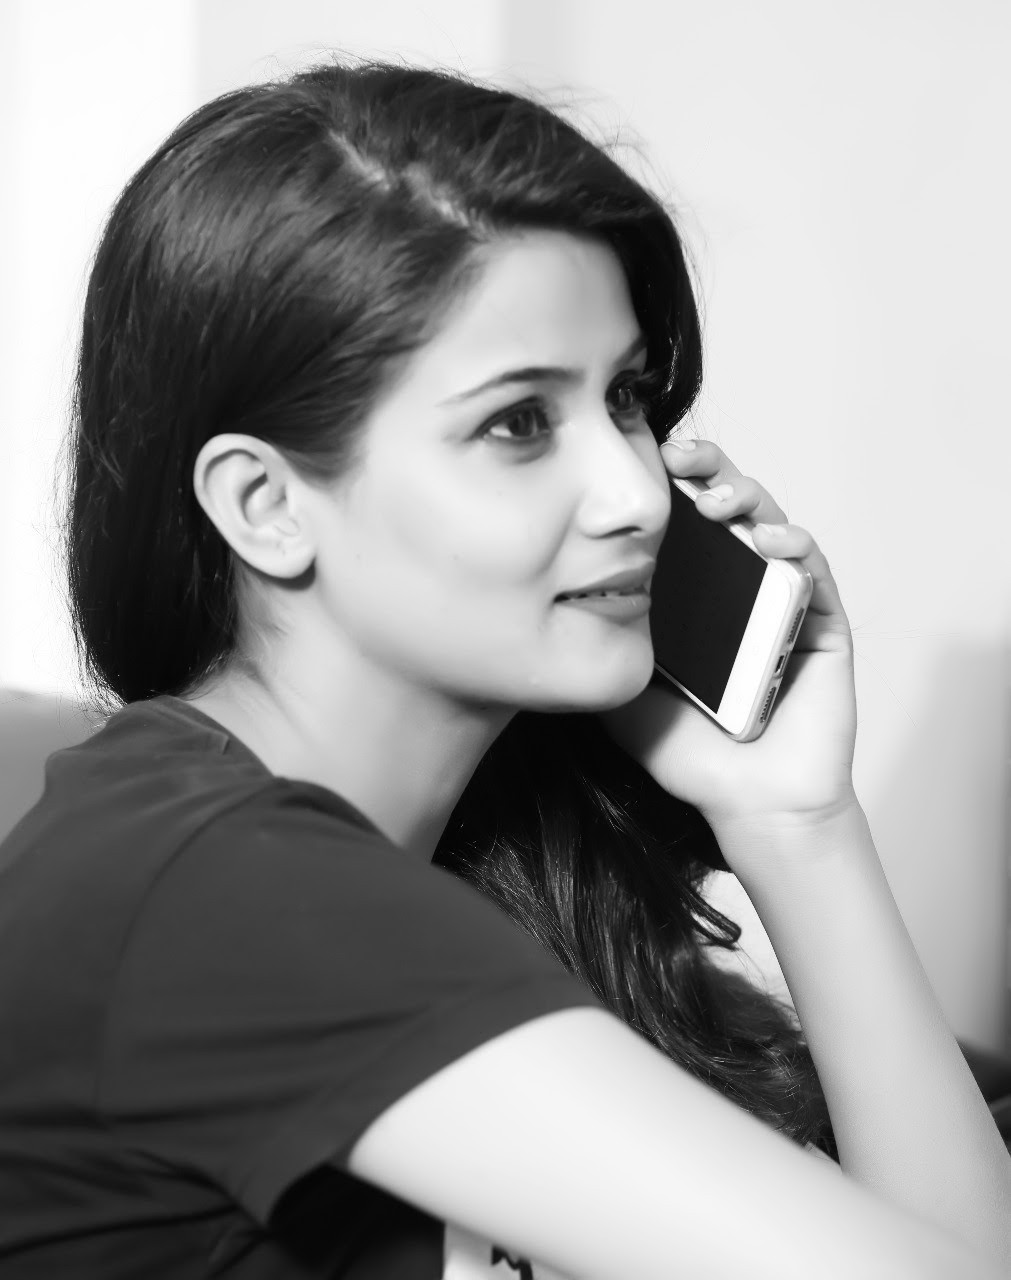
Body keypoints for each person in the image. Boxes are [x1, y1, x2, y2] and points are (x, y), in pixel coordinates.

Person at [0, 53, 1007, 1280]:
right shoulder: (220, 886)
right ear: (265, 504)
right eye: (518, 421)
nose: (638, 491)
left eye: (626, 397)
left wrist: (798, 822)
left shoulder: (458, 876)